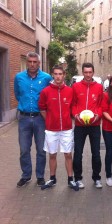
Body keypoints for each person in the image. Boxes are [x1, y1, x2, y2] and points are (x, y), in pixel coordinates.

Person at [14, 52, 52, 188]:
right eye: (29, 61)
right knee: (24, 149)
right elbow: (18, 94)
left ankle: (40, 176)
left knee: (41, 150)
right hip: (24, 118)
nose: (31, 64)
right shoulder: (18, 77)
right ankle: (26, 175)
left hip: (40, 119)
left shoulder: (47, 78)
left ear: (39, 63)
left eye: (34, 62)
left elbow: (50, 97)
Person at [38, 65, 79, 191]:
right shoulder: (46, 91)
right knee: (52, 155)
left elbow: (73, 107)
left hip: (66, 128)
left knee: (68, 154)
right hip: (51, 129)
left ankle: (70, 180)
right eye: (55, 74)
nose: (58, 76)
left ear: (64, 75)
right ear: (52, 75)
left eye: (60, 74)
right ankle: (52, 178)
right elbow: (42, 109)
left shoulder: (70, 91)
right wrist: (50, 121)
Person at [72, 62, 103, 189]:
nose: (88, 75)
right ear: (82, 73)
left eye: (90, 72)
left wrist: (97, 115)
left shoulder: (99, 87)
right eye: (86, 72)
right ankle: (78, 178)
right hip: (79, 125)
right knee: (78, 153)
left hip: (94, 124)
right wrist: (75, 115)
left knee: (96, 153)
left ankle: (97, 178)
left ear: (93, 72)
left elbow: (101, 105)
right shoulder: (76, 86)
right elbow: (73, 104)